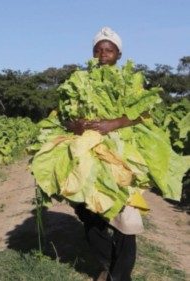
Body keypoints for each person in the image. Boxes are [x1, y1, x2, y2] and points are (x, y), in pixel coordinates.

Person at [66, 27, 148, 281]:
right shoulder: (79, 80)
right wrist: (75, 125)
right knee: (89, 213)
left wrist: (113, 124)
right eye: (98, 50)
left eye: (109, 50)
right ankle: (108, 264)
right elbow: (63, 117)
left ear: (118, 54)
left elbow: (144, 114)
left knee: (126, 217)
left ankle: (120, 276)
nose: (103, 54)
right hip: (88, 151)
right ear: (92, 53)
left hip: (121, 152)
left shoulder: (130, 81)